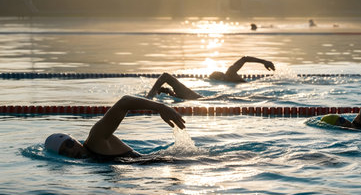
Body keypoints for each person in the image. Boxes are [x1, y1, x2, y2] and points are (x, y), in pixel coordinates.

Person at [44, 95, 185, 160]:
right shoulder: (89, 159)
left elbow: (125, 102)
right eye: (63, 152)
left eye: (69, 144)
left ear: (75, 141)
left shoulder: (95, 138)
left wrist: (160, 107)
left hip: (169, 162)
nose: (70, 151)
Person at [146, 56, 276, 100]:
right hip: (201, 98)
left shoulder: (229, 73)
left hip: (201, 98)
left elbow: (165, 76)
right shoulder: (186, 94)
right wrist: (168, 93)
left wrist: (150, 96)